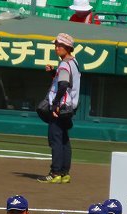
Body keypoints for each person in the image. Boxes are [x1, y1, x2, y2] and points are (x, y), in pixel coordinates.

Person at [38, 33, 79, 184]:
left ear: (68, 48)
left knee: (55, 139)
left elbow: (63, 85)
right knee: (64, 140)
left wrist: (55, 104)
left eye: (60, 45)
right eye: (55, 45)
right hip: (69, 106)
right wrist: (52, 73)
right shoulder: (73, 62)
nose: (56, 48)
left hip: (60, 107)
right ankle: (64, 173)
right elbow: (66, 81)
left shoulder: (64, 64)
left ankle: (55, 172)